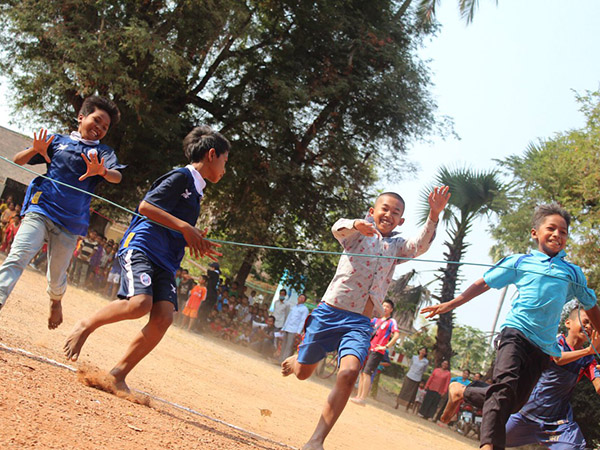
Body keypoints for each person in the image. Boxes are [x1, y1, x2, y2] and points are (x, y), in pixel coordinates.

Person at [281, 187, 450, 449]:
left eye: (396, 212)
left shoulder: (397, 247)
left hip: (359, 323)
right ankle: (298, 360)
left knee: (349, 374)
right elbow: (338, 228)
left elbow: (420, 246)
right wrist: (356, 225)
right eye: (384, 208)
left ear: (401, 221)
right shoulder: (356, 235)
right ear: (372, 212)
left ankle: (316, 441)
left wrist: (434, 215)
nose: (389, 214)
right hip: (329, 313)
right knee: (303, 373)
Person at [63, 125, 228, 392]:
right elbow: (146, 207)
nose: (224, 168)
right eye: (225, 161)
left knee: (163, 317)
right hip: (142, 247)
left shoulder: (197, 192)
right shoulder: (180, 177)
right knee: (140, 304)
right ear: (211, 154)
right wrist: (186, 227)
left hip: (167, 260)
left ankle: (118, 374)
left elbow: (174, 225)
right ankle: (86, 324)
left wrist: (194, 238)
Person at [422, 203, 600, 450]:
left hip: (543, 346)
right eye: (551, 228)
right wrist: (452, 303)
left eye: (563, 231)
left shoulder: (572, 273)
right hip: (515, 333)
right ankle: (489, 446)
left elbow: (590, 304)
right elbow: (484, 283)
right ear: (535, 233)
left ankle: (462, 391)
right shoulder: (520, 262)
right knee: (504, 389)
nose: (557, 235)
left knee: (515, 403)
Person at [0, 96, 123, 329]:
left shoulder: (104, 153)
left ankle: (56, 299)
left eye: (105, 127)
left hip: (70, 223)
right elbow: (18, 160)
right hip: (41, 209)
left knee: (56, 275)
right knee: (18, 256)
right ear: (81, 117)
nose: (99, 128)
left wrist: (103, 171)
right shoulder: (57, 141)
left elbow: (117, 177)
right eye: (96, 121)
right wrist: (34, 150)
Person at [504, 306, 600, 449]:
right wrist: (588, 350)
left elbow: (598, 387)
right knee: (493, 439)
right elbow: (558, 358)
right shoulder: (554, 341)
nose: (588, 327)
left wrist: (589, 354)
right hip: (524, 414)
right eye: (585, 322)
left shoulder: (588, 359)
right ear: (568, 323)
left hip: (557, 423)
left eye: (592, 326)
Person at [351, 299, 400, 405]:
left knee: (367, 373)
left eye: (387, 307)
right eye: (383, 306)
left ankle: (362, 398)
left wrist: (385, 347)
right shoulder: (376, 320)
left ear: (391, 310)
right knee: (363, 373)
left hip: (377, 351)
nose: (385, 308)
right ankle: (358, 396)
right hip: (368, 348)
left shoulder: (391, 322)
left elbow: (396, 335)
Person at [279, 293, 310, 363]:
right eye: (300, 297)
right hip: (287, 328)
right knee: (283, 345)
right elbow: (288, 318)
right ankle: (280, 359)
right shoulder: (294, 307)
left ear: (304, 300)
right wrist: (283, 328)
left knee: (289, 346)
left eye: (303, 298)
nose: (301, 299)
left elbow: (303, 321)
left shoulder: (304, 309)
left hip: (294, 330)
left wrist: (298, 332)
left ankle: (285, 361)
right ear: (298, 298)